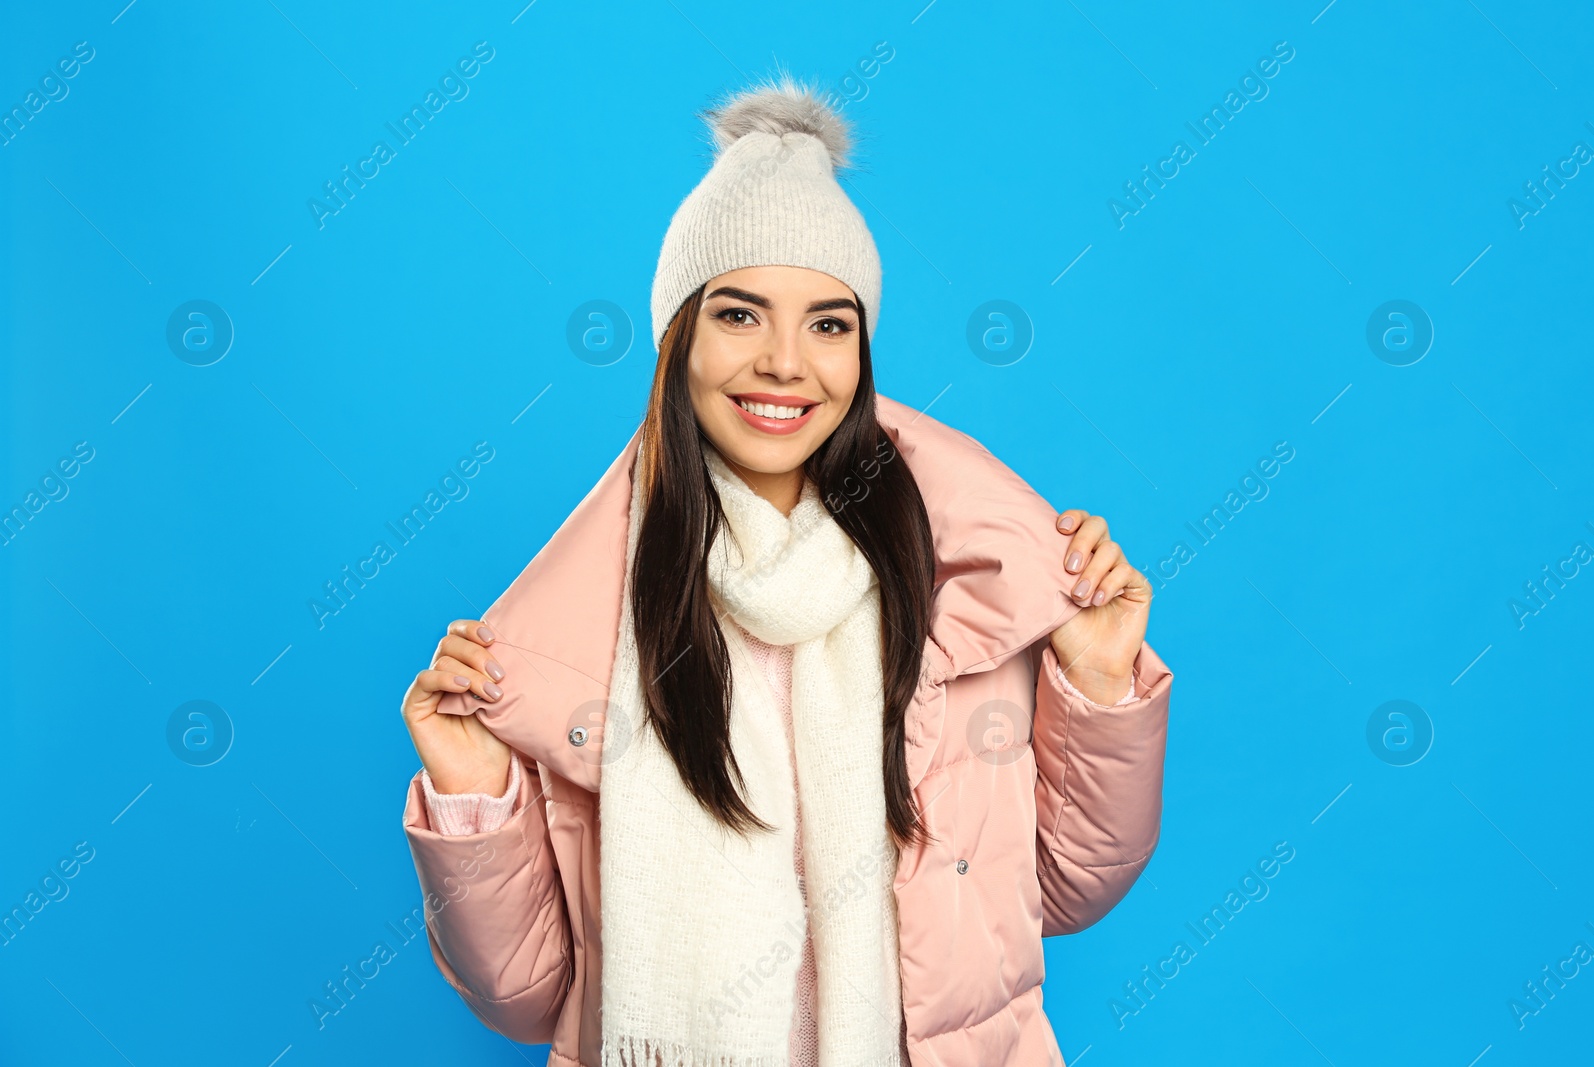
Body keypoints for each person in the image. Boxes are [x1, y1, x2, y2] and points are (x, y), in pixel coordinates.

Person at [398, 75, 1171, 1066]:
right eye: (737, 314)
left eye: (827, 322)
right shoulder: (581, 634)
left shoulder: (958, 588)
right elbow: (525, 995)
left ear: (862, 350)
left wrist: (1097, 686)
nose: (783, 362)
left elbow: (1065, 887)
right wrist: (473, 794)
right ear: (678, 337)